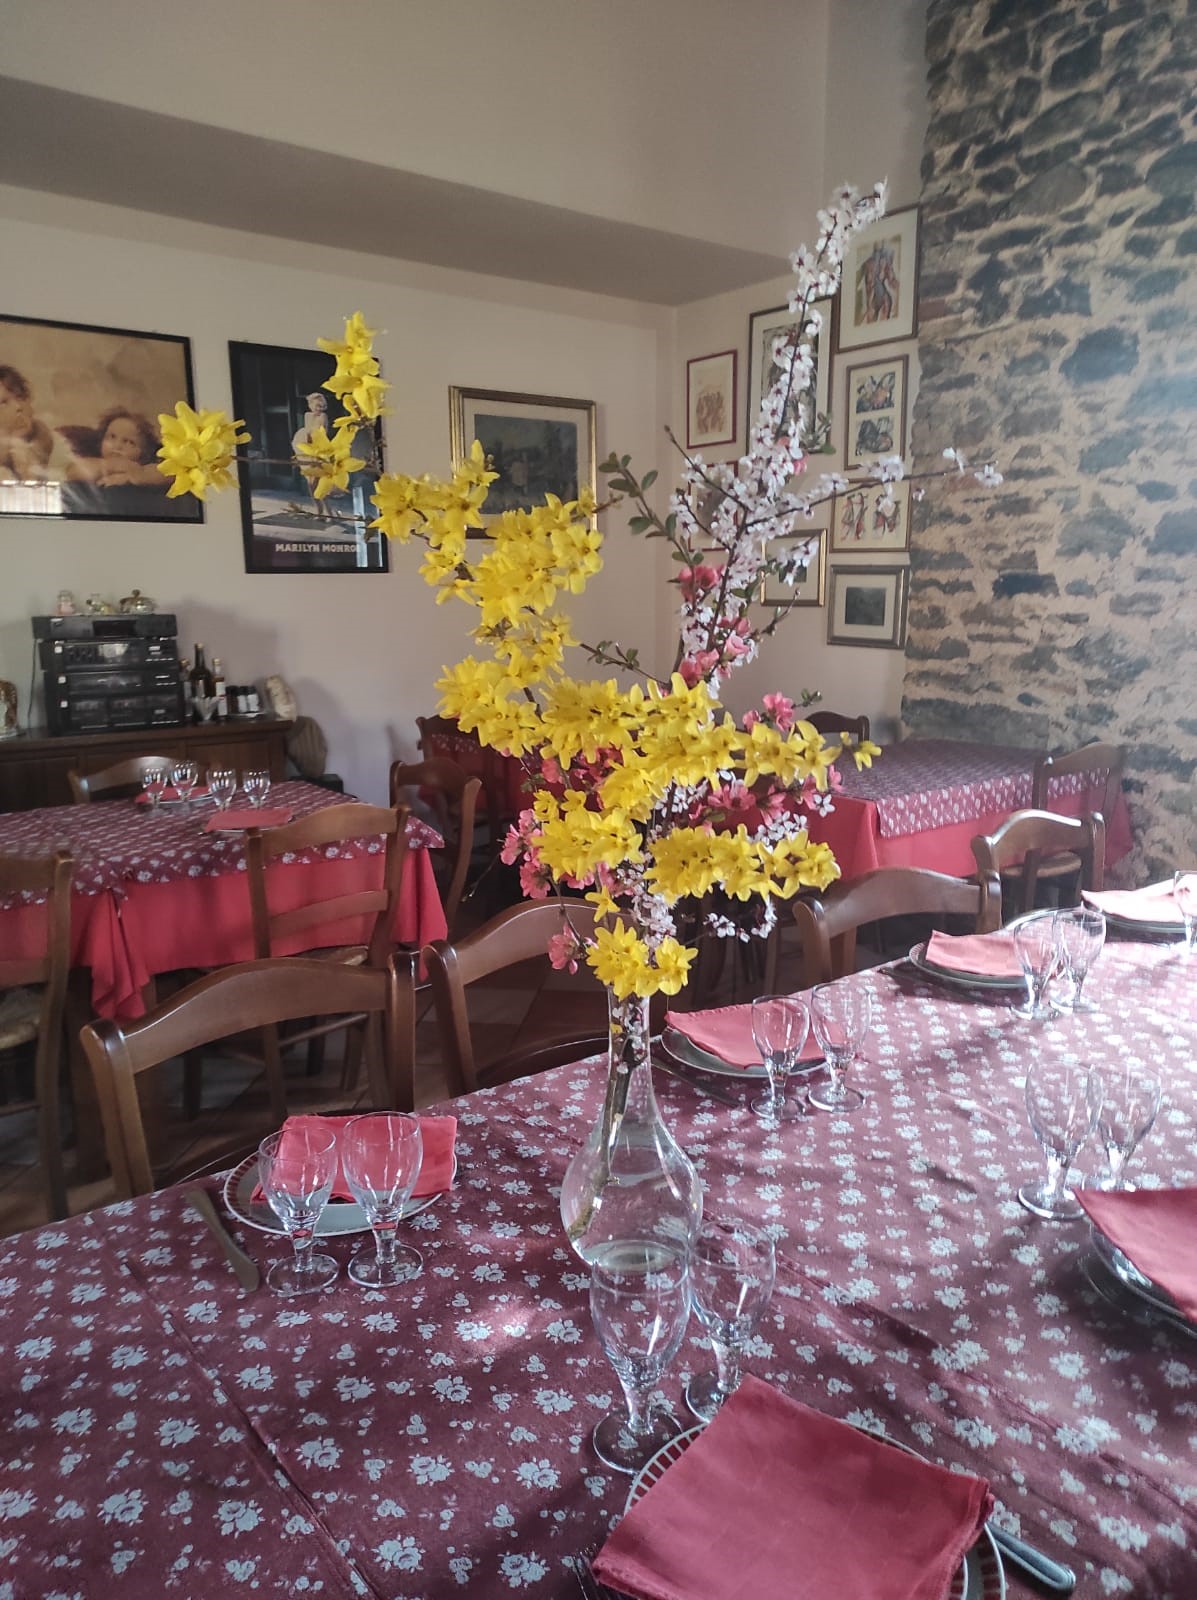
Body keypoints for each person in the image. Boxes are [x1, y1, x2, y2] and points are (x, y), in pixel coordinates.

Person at [0, 364, 72, 480]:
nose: (18, 406)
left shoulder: (47, 437)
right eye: (3, 402)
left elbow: (69, 472)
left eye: (20, 397)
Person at [66, 408, 163, 487]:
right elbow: (73, 472)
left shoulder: (143, 468)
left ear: (143, 453)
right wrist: (111, 465)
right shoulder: (95, 462)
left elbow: (167, 473)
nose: (117, 446)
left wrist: (136, 476)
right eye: (112, 437)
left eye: (129, 442)